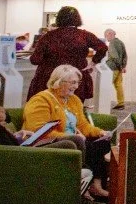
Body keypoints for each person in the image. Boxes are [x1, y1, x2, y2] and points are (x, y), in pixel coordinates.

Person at [23, 64, 112, 197]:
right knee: (81, 143)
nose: (76, 86)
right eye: (73, 82)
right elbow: (38, 130)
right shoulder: (41, 99)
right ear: (58, 82)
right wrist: (68, 135)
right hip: (48, 141)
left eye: (77, 82)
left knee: (102, 142)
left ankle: (95, 185)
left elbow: (83, 125)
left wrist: (100, 132)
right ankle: (83, 190)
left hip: (74, 138)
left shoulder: (74, 100)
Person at [26, 7, 107, 102]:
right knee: (75, 108)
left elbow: (35, 60)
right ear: (77, 19)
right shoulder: (84, 35)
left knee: (49, 108)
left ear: (59, 18)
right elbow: (103, 48)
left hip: (50, 79)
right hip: (75, 78)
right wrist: (93, 63)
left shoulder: (48, 36)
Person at [104, 28, 127, 110]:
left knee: (105, 85)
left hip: (113, 68)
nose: (107, 38)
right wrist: (123, 67)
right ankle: (121, 103)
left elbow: (115, 57)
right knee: (118, 85)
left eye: (106, 36)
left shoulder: (112, 43)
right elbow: (125, 56)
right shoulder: (121, 42)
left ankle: (103, 104)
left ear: (110, 34)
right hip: (119, 68)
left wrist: (120, 66)